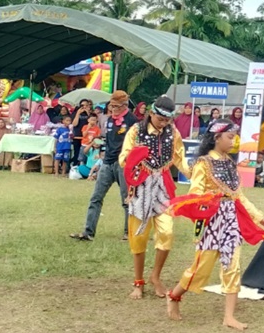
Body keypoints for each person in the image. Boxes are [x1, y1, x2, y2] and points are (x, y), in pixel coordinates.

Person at [166, 118, 264, 330]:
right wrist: (211, 197)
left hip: (231, 220)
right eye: (230, 137)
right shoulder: (204, 163)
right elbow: (195, 192)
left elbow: (239, 196)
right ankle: (174, 296)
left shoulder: (229, 163)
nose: (233, 141)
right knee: (201, 268)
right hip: (212, 220)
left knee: (232, 265)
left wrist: (259, 217)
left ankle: (229, 316)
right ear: (216, 137)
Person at [120, 96, 188, 299]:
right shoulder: (136, 131)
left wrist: (196, 174)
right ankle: (138, 282)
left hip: (162, 188)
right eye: (160, 119)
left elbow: (180, 158)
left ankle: (155, 276)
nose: (164, 123)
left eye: (167, 120)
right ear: (151, 113)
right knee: (138, 237)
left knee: (167, 233)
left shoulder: (172, 133)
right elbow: (124, 159)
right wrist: (136, 156)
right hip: (141, 187)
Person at [70, 91, 136, 243]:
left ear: (125, 106)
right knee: (96, 197)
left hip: (124, 164)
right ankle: (88, 232)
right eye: (111, 106)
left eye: (116, 106)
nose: (113, 109)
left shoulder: (132, 120)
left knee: (127, 199)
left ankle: (129, 232)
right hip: (107, 162)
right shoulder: (109, 120)